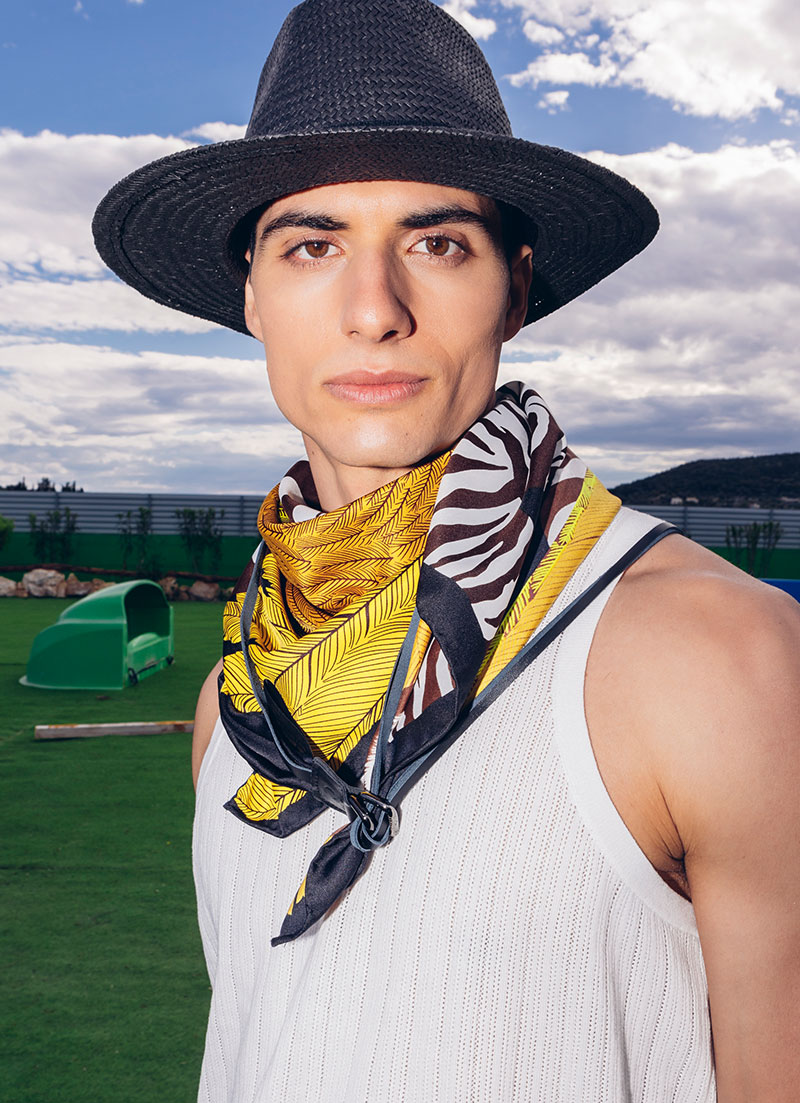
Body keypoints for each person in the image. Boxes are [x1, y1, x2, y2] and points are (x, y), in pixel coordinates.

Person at [93, 0, 800, 1099]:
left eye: (436, 243)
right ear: (253, 297)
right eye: (313, 244)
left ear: (513, 289)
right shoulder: (236, 706)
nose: (374, 309)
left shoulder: (716, 653)